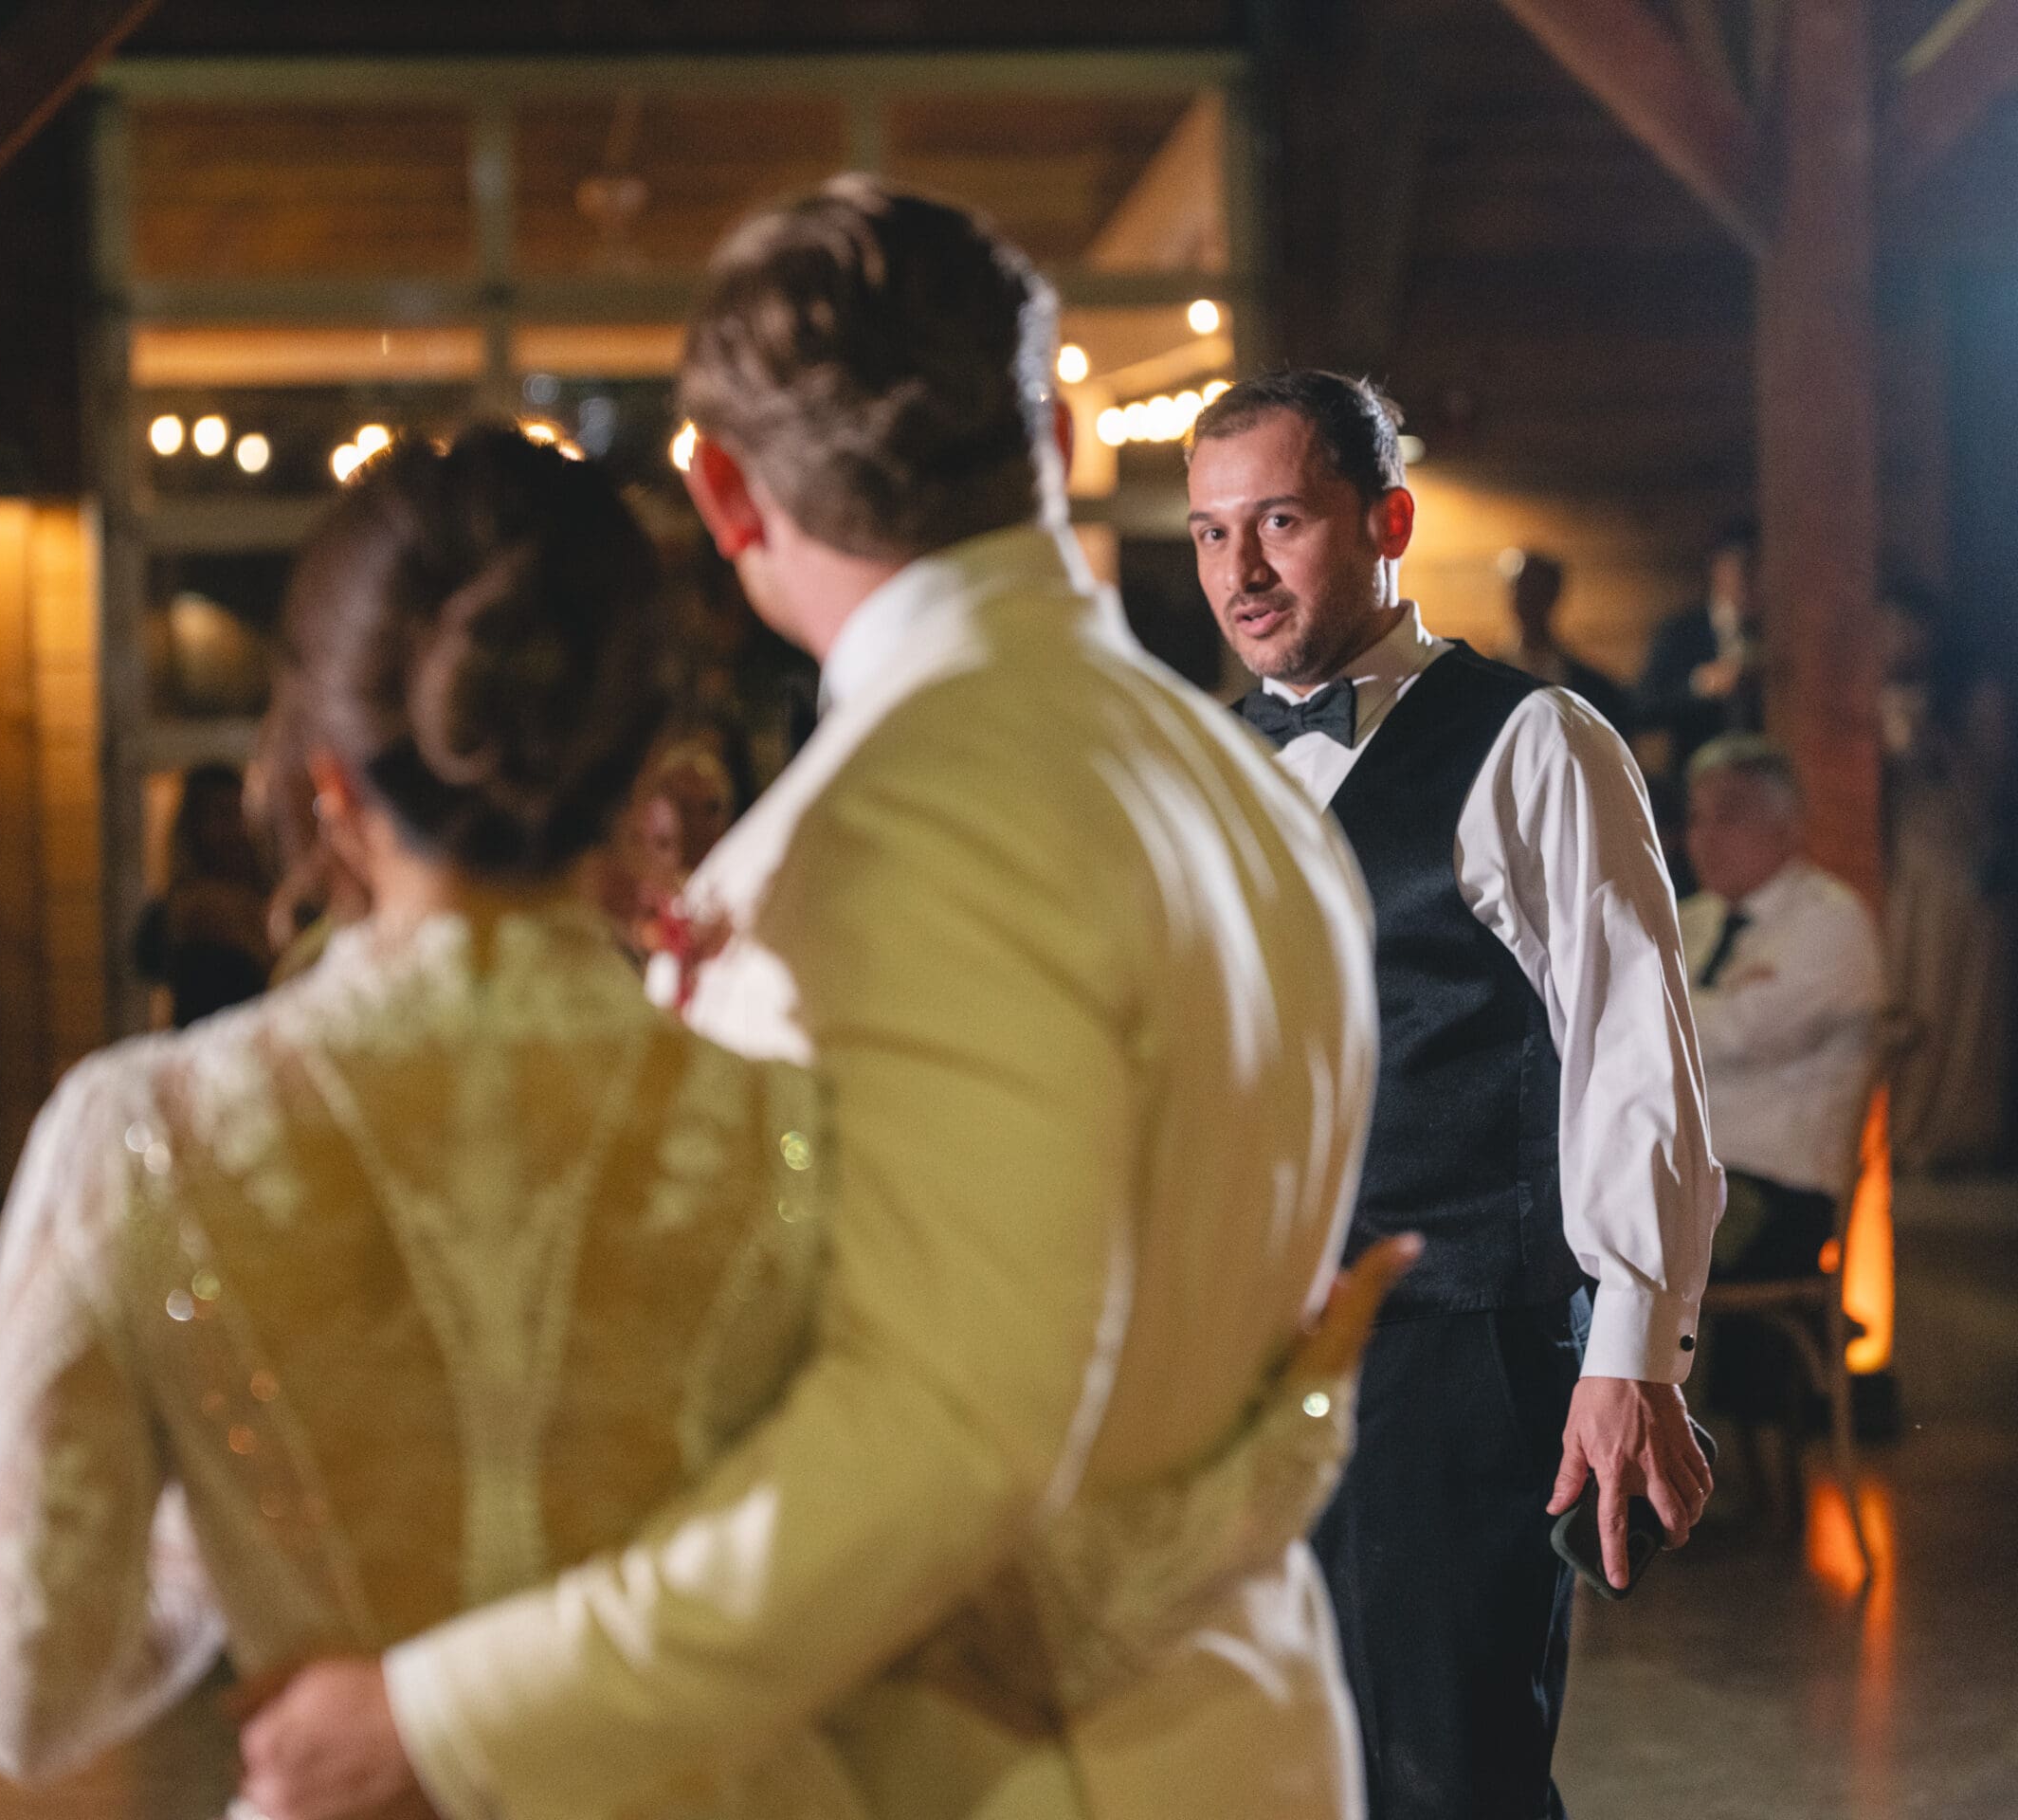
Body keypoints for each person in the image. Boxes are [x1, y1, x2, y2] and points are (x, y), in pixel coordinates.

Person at [239, 179, 1394, 1820]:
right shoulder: (1247, 790)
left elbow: (941, 1444)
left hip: (996, 1776)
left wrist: (444, 1713)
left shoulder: (889, 839)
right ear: (1053, 446)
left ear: (722, 492)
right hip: (1245, 1736)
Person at [0, 428, 839, 1794]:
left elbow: (31, 1691)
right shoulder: (788, 1140)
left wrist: (233, 1513)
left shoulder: (140, 1137)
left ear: (327, 781)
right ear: (634, 778)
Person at [1193, 371, 1723, 1820]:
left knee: (1447, 1777)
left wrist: (1632, 1357)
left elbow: (1635, 1063)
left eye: (1281, 522)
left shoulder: (1538, 744)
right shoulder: (1205, 769)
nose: (1238, 571)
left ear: (1389, 522)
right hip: (1244, 1365)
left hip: (1453, 1350)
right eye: (1209, 533)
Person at [1682, 737, 1882, 1446]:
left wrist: (1658, 1013)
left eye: (1728, 816)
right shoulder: (1694, 918)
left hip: (1776, 1194)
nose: (1705, 837)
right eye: (1697, 817)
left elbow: (1723, 1037)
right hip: (1695, 1176)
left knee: (1599, 1252)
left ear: (1787, 824)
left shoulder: (1830, 919)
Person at [1875, 582, 2010, 1170]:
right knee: (1910, 1000)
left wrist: (1935, 744)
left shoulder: (1976, 697)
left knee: (1961, 1007)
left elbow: (1993, 789)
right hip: (1907, 870)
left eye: (1902, 626)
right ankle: (1905, 1131)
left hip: (1961, 870)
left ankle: (1953, 1134)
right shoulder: (1876, 694)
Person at [135, 760, 277, 1026]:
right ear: (194, 827)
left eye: (241, 813)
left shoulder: (274, 897)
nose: (237, 829)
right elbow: (145, 962)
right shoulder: (175, 910)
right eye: (222, 815)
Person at [1635, 518, 1763, 772]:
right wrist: (1700, 685)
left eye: (1759, 567)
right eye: (1742, 566)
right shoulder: (1681, 633)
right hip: (1697, 777)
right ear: (1717, 568)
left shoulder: (1784, 633)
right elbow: (1643, 707)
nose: (1751, 578)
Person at [1502, 550, 1629, 735]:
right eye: (1523, 589)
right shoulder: (1480, 688)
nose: (1529, 600)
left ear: (1553, 594)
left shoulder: (1597, 691)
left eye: (1538, 590)